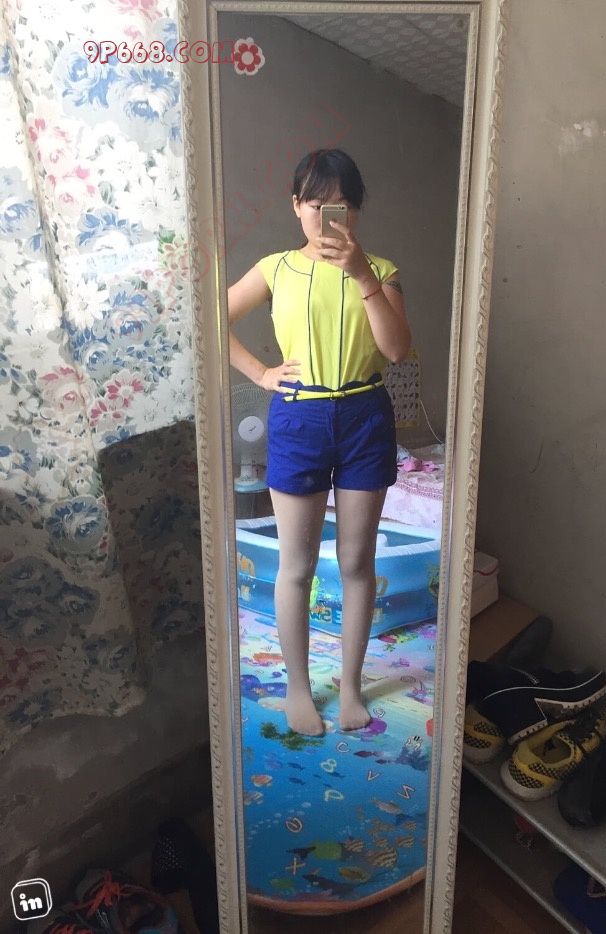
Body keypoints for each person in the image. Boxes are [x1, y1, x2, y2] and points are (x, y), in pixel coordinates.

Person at [227, 149, 411, 736]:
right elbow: (207, 317)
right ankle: (298, 689)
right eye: (316, 204)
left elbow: (396, 350)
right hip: (299, 417)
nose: (329, 216)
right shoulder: (275, 268)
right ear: (296, 207)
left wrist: (362, 276)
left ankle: (351, 686)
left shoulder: (380, 270)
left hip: (364, 415)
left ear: (355, 212)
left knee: (357, 560)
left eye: (343, 205)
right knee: (297, 565)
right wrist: (260, 373)